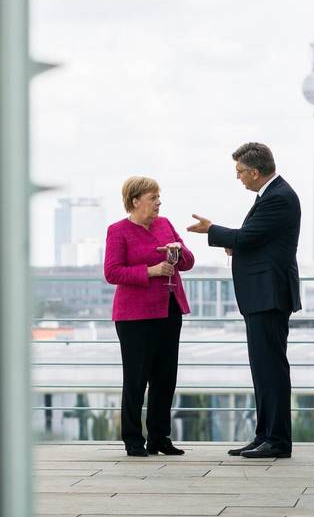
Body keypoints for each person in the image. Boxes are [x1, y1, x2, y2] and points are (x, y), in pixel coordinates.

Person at [186, 142, 301, 459]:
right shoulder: (270, 196)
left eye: (239, 172)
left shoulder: (279, 198)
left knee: (271, 370)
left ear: (254, 171)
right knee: (263, 371)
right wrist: (239, 246)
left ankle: (277, 440)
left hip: (269, 295)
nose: (238, 178)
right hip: (261, 296)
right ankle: (264, 436)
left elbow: (248, 237)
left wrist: (212, 230)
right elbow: (259, 240)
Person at [104, 176, 195, 457]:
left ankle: (159, 437)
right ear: (135, 201)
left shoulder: (165, 224)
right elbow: (112, 272)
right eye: (153, 197)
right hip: (134, 317)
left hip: (169, 309)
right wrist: (151, 271)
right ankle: (133, 439)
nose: (159, 202)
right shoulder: (118, 231)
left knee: (165, 378)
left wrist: (177, 255)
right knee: (136, 378)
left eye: (159, 197)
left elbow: (189, 261)